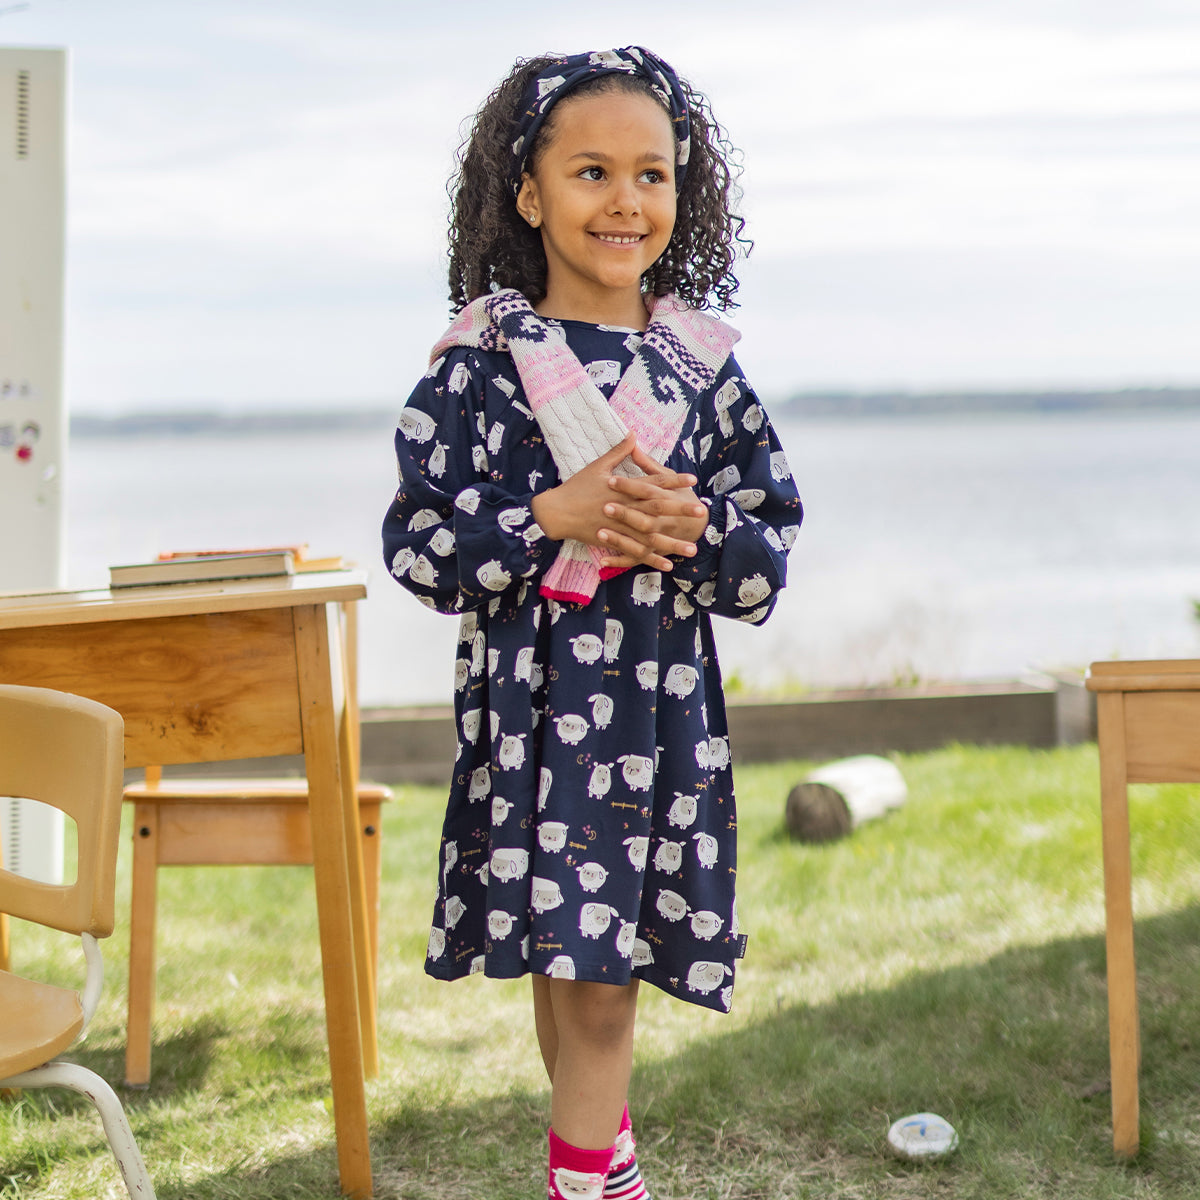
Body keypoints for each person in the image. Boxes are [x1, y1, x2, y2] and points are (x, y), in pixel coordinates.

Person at [382, 46, 802, 1200]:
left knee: (604, 971)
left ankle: (585, 1178)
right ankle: (600, 1160)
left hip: (652, 716)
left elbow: (764, 565)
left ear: (685, 191)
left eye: (653, 175)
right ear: (528, 191)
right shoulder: (479, 371)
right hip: (530, 712)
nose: (627, 201)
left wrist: (698, 525)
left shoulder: (706, 378)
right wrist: (543, 518)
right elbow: (417, 545)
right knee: (561, 959)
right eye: (592, 172)